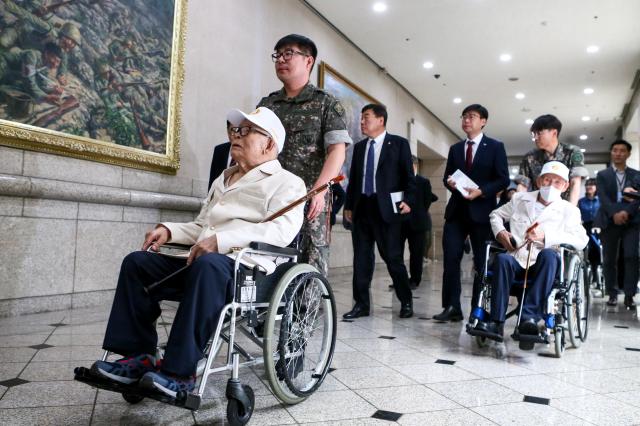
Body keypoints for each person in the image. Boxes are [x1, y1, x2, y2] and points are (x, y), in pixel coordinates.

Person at [87, 107, 307, 397]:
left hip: (245, 270)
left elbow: (280, 233)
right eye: (237, 130)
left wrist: (222, 241)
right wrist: (170, 231)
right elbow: (203, 227)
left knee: (209, 266)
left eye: (248, 130)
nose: (237, 135)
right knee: (137, 263)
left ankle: (179, 373)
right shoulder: (224, 179)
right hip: (206, 263)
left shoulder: (288, 183)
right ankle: (137, 357)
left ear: (269, 143)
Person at [258, 34, 352, 276]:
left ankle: (308, 312)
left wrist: (320, 189)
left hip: (309, 198)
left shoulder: (326, 104)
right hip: (269, 197)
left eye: (288, 53)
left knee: (310, 261)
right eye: (277, 55)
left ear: (308, 61)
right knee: (264, 257)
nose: (280, 59)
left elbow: (337, 151)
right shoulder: (267, 105)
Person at [477, 161, 588, 342]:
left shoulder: (569, 211)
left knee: (549, 255)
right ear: (538, 181)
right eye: (547, 180)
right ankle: (496, 323)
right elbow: (495, 215)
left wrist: (547, 237)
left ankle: (529, 317)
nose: (551, 185)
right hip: (517, 258)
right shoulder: (520, 199)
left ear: (565, 186)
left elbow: (582, 241)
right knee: (502, 259)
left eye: (557, 182)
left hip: (543, 265)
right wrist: (501, 232)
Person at [434, 104, 509, 322]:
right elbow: (448, 176)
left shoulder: (495, 147)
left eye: (472, 117)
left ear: (483, 121)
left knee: (481, 262)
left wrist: (481, 191)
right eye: (464, 117)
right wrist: (450, 183)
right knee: (450, 259)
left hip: (482, 212)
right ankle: (451, 307)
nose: (466, 120)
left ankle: (479, 308)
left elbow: (503, 179)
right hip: (456, 212)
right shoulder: (456, 148)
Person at [343, 104, 416, 319]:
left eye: (366, 117)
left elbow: (408, 178)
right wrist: (349, 206)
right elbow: (354, 180)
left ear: (381, 120)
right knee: (361, 259)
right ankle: (361, 304)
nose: (362, 122)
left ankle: (406, 301)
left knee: (393, 259)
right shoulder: (359, 148)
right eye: (361, 118)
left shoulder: (399, 144)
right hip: (362, 208)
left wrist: (409, 201)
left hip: (387, 210)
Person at [594, 140, 640, 309]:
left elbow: (638, 197)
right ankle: (612, 293)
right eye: (615, 150)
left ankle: (629, 295)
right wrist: (615, 213)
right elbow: (603, 198)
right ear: (611, 153)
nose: (618, 153)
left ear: (628, 154)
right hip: (609, 220)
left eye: (622, 151)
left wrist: (627, 212)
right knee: (609, 259)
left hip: (632, 220)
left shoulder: (637, 175)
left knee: (632, 257)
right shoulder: (602, 175)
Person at [515, 114, 588, 205]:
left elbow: (575, 182)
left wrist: (571, 209)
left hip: (564, 208)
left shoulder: (572, 152)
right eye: (534, 134)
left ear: (554, 133)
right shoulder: (530, 157)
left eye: (539, 133)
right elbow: (522, 186)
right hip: (538, 209)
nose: (535, 138)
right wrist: (520, 207)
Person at [402, 155, 435, 289]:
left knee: (416, 253)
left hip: (418, 223)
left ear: (414, 165)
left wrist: (416, 213)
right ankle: (401, 280)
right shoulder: (400, 181)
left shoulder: (423, 182)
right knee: (396, 253)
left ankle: (415, 280)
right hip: (401, 222)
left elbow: (427, 202)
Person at [578, 178, 601, 281]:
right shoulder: (581, 201)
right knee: (588, 249)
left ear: (596, 187)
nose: (588, 187)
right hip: (586, 227)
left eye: (591, 185)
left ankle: (599, 274)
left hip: (600, 227)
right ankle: (591, 275)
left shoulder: (601, 200)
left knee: (599, 249)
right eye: (587, 185)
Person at [208, 121, 233, 189]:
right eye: (233, 130)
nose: (236, 134)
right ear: (228, 131)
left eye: (239, 130)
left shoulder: (246, 151)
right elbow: (213, 178)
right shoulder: (219, 150)